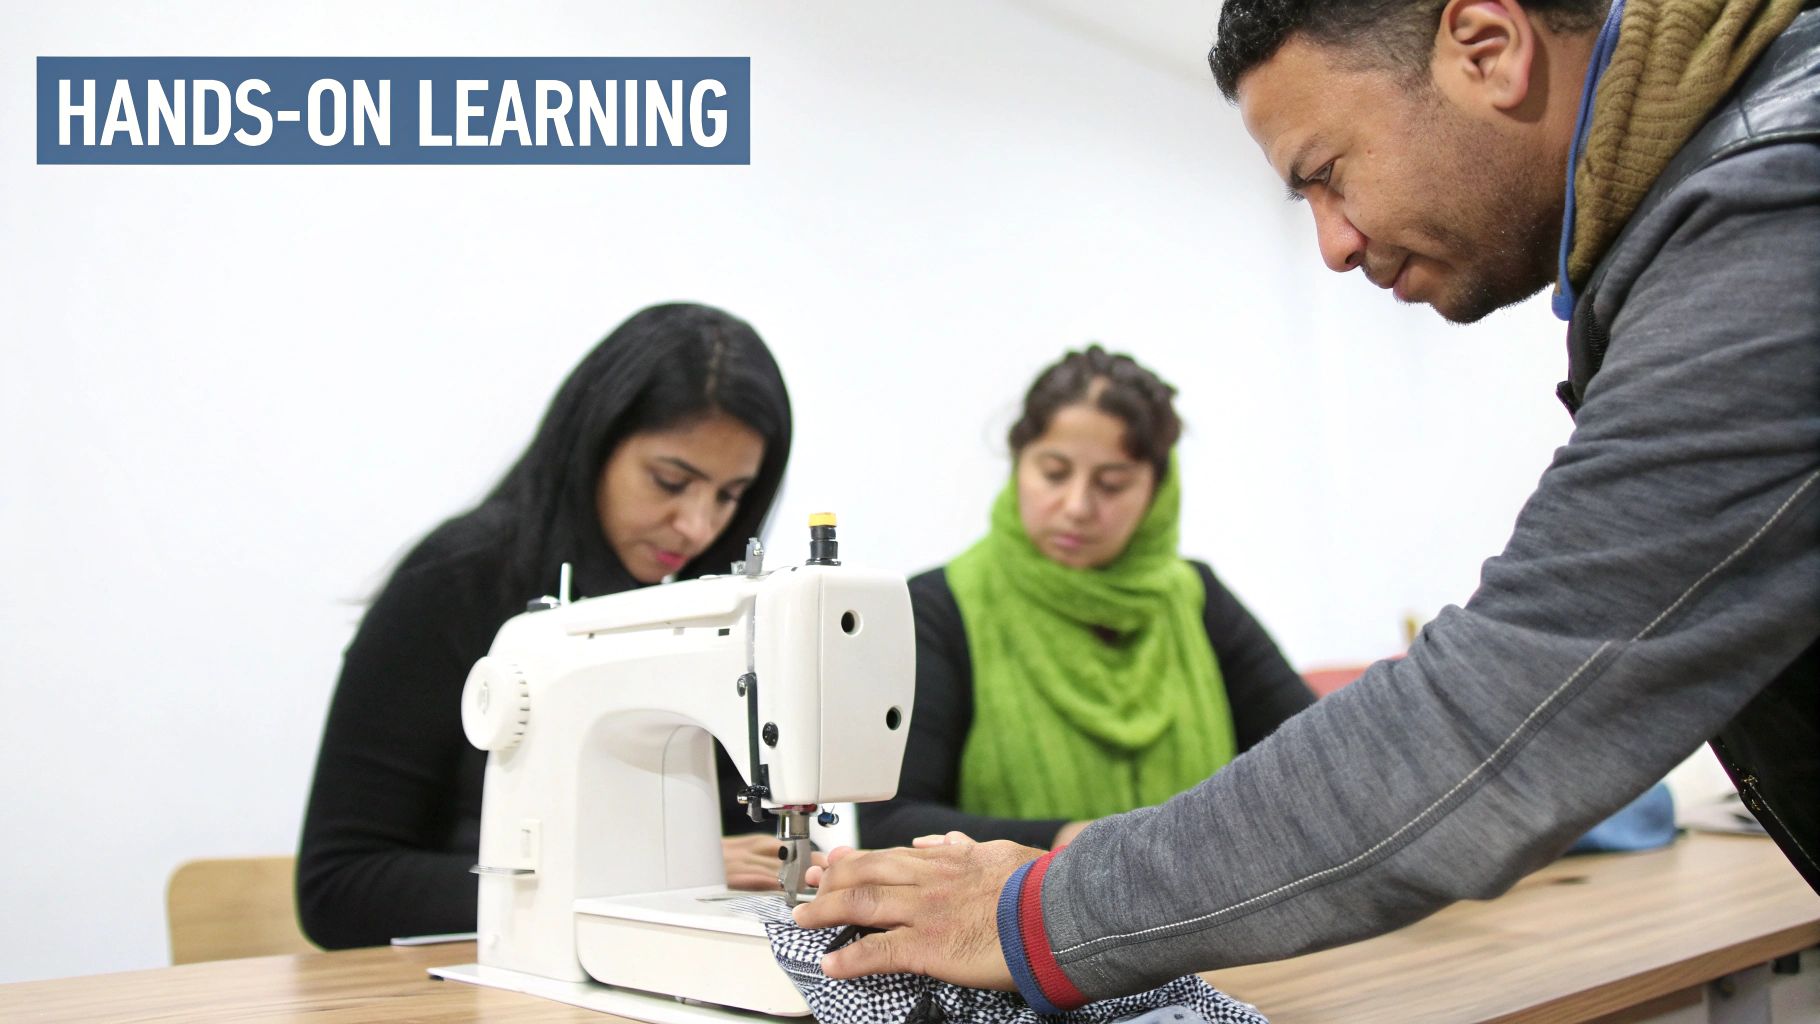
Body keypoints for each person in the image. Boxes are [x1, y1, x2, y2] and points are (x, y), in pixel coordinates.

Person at [798, 0, 1819, 1010]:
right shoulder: (1746, 179)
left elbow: (1470, 729)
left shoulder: (1776, 211)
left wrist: (1038, 908)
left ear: (1485, 46)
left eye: (1326, 174)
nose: (1330, 246)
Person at [297, 302, 808, 949]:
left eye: (731, 496)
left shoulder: (708, 612)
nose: (699, 524)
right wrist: (636, 880)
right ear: (594, 443)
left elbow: (743, 844)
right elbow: (339, 886)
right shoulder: (455, 582)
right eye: (670, 481)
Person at [860, 345, 1314, 852]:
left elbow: (1314, 764)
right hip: (1005, 928)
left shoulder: (1196, 601)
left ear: (1157, 493)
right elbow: (890, 826)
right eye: (1053, 473)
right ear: (1017, 466)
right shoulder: (937, 610)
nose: (1076, 506)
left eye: (1112, 484)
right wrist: (1083, 845)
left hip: (1198, 928)